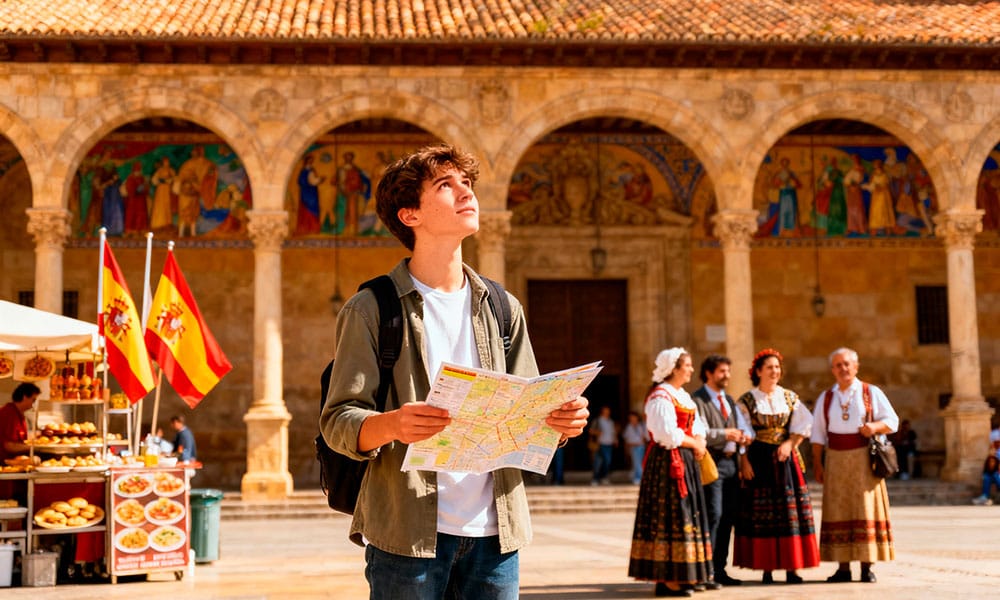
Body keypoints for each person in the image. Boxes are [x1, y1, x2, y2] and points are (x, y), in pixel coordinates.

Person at [318, 144, 590, 599]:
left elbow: (531, 410)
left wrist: (562, 424)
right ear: (410, 215)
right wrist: (394, 424)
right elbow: (338, 421)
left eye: (467, 183)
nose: (466, 192)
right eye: (446, 185)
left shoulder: (502, 308)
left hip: (496, 537)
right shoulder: (371, 309)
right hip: (407, 536)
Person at [628, 347, 716, 597]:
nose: (691, 369)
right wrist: (695, 443)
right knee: (671, 516)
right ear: (674, 369)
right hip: (667, 463)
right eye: (687, 365)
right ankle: (667, 580)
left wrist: (699, 440)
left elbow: (698, 423)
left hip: (685, 460)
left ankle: (686, 575)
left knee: (689, 515)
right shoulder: (660, 396)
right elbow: (665, 434)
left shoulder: (682, 395)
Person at [811, 347, 897, 583]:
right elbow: (818, 434)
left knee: (865, 510)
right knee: (838, 510)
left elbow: (892, 421)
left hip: (863, 458)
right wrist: (818, 463)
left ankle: (867, 567)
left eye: (847, 364)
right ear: (832, 370)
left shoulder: (871, 392)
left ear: (856, 366)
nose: (843, 369)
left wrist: (875, 428)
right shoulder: (826, 397)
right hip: (836, 459)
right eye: (838, 365)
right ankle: (843, 568)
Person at [733, 348, 819, 584]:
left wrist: (790, 443)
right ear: (758, 371)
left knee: (788, 513)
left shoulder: (790, 397)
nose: (775, 371)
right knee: (763, 514)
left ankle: (792, 568)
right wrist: (743, 460)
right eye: (770, 367)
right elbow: (741, 433)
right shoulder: (747, 400)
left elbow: (805, 425)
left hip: (785, 460)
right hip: (759, 458)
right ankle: (766, 568)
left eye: (777, 367)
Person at [691, 354, 746, 587]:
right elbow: (699, 431)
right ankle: (706, 570)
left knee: (727, 517)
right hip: (710, 462)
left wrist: (741, 439)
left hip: (731, 463)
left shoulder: (730, 400)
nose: (727, 376)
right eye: (722, 371)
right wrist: (725, 434)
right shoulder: (697, 400)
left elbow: (739, 426)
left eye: (728, 371)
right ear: (709, 373)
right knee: (712, 514)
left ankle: (719, 569)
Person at [0, 383, 39, 463]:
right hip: (5, 464)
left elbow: (20, 440)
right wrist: (35, 447)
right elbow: (9, 446)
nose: (33, 405)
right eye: (33, 400)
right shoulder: (8, 414)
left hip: (16, 461)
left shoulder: (19, 414)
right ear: (25, 397)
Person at [590, 405, 618, 485]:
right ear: (602, 411)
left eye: (608, 411)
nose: (607, 412)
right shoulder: (598, 420)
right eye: (605, 410)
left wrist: (615, 440)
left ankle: (604, 478)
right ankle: (595, 479)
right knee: (598, 462)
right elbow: (591, 431)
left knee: (607, 462)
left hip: (609, 444)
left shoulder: (611, 421)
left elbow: (613, 432)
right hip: (599, 444)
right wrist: (597, 433)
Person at [622, 411, 648, 485]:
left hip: (640, 446)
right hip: (633, 447)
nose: (632, 419)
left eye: (634, 417)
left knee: (639, 463)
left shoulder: (641, 425)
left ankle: (639, 478)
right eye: (631, 417)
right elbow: (626, 438)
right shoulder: (629, 427)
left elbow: (645, 436)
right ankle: (638, 478)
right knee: (635, 463)